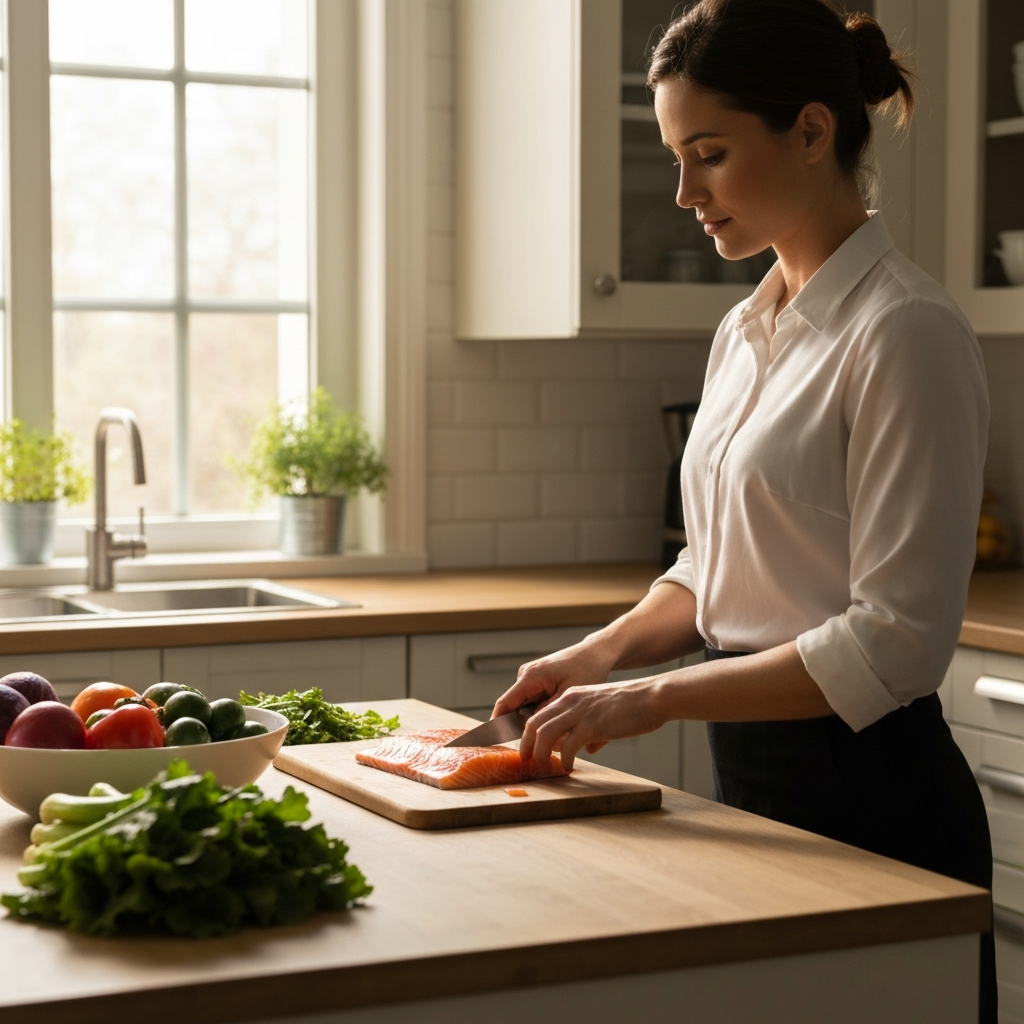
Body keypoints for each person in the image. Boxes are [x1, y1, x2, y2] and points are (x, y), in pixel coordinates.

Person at [491, 0, 996, 1019]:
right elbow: (713, 568)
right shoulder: (743, 328)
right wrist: (594, 658)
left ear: (811, 132)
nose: (684, 192)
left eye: (709, 154)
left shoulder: (906, 332)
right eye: (676, 156)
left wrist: (653, 699)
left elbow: (895, 643)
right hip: (752, 796)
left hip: (875, 804)